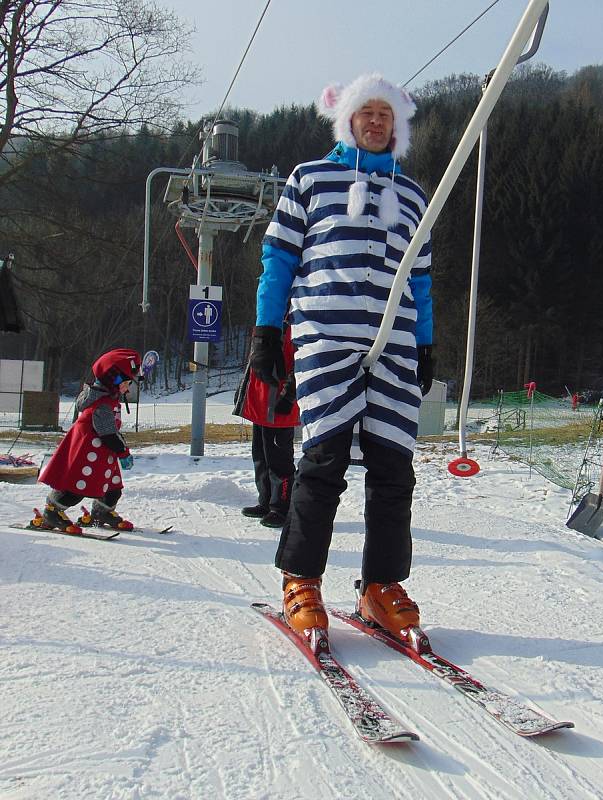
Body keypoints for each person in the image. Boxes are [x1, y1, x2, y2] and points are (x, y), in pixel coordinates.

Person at [252, 73, 434, 644]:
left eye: (386, 114)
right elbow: (278, 260)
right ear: (347, 119)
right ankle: (300, 578)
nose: (376, 121)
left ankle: (381, 585)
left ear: (397, 126)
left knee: (393, 466)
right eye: (366, 112)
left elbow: (422, 279)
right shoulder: (310, 178)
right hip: (326, 335)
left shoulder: (413, 196)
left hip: (394, 341)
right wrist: (265, 330)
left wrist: (426, 341)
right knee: (323, 457)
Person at [33, 349, 141, 533]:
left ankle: (102, 511)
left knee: (113, 489)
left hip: (102, 455)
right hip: (87, 455)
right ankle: (52, 510)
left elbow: (111, 432)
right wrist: (123, 452)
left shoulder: (109, 398)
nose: (128, 388)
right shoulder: (102, 405)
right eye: (126, 383)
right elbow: (107, 433)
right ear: (113, 381)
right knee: (77, 487)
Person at [234, 322, 299, 528]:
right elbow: (253, 363)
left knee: (279, 461)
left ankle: (282, 507)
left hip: (279, 406)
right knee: (261, 457)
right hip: (259, 404)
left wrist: (289, 396)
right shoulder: (268, 323)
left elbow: (300, 363)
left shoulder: (296, 324)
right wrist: (242, 392)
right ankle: (266, 501)